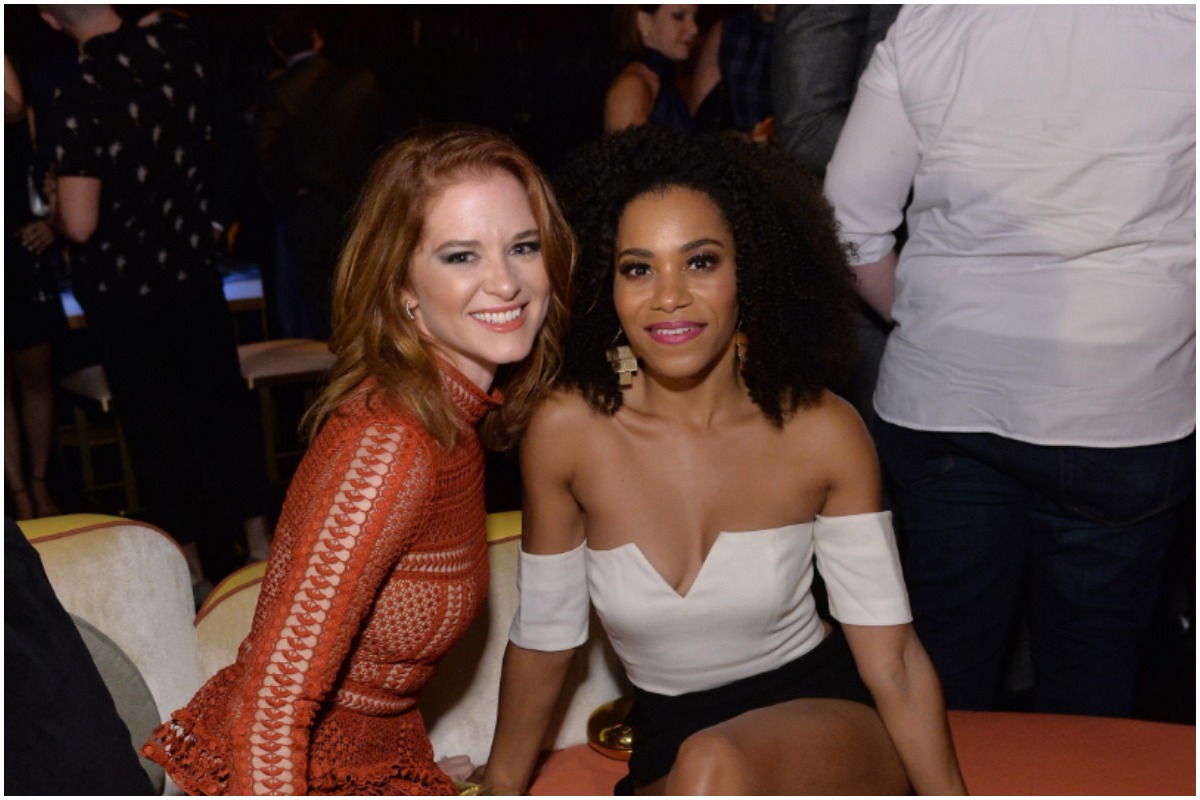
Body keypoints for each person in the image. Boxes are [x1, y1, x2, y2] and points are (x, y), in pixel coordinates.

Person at [483, 127, 966, 795]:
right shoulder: (567, 434)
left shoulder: (821, 430)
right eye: (638, 268)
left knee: (714, 764)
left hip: (827, 732)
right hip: (671, 751)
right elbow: (544, 641)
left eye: (701, 262)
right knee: (705, 766)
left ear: (750, 272)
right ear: (605, 285)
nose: (669, 295)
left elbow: (896, 662)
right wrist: (498, 788)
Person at [141, 124, 575, 795]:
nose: (506, 281)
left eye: (523, 246)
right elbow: (271, 705)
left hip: (362, 762)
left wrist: (407, 766)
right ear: (403, 287)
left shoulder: (456, 421)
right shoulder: (389, 443)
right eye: (462, 256)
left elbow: (366, 682)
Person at [824, 6, 1195, 717]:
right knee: (1094, 670)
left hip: (945, 399)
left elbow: (848, 223)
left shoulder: (934, 18)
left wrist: (931, 317)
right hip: (1125, 401)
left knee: (946, 667)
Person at [39, 5, 273, 589]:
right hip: (193, 273)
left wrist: (56, 208)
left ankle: (190, 573)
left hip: (125, 290)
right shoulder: (180, 53)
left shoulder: (79, 87)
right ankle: (260, 548)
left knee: (155, 426)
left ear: (49, 19)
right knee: (221, 408)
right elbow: (233, 144)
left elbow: (81, 223)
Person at [5, 52, 67, 520]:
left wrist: (53, 221)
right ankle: (19, 493)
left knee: (36, 376)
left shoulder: (26, 77)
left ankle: (41, 484)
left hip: (24, 243)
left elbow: (15, 112)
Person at [604, 5, 699, 133]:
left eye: (695, 17)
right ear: (644, 22)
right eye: (679, 16)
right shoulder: (632, 87)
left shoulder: (669, 81)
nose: (694, 29)